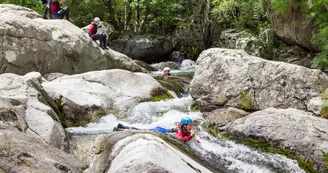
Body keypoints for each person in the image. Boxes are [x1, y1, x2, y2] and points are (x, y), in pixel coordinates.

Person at [113, 117, 195, 142]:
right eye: (189, 125)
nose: (191, 127)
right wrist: (190, 136)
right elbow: (181, 139)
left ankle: (122, 127)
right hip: (159, 131)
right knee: (141, 131)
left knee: (141, 130)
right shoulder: (180, 130)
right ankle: (121, 129)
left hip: (161, 130)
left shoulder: (184, 129)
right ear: (184, 126)